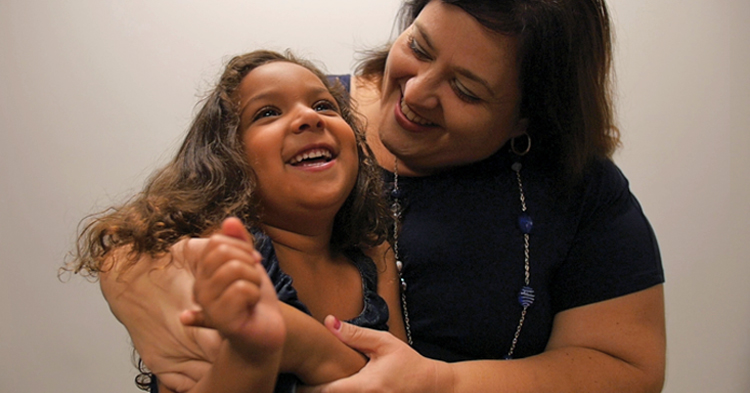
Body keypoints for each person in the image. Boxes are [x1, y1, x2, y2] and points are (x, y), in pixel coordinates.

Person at [95, 0, 667, 392]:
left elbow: (627, 368)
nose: (415, 93)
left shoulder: (576, 187)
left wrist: (440, 382)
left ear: (526, 117)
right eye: (417, 47)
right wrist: (144, 287)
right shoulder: (321, 117)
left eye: (466, 89)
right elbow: (148, 230)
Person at [67, 49, 406, 393]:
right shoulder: (220, 251)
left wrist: (301, 343)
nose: (309, 117)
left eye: (323, 106)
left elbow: (404, 381)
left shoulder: (373, 254)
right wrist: (251, 354)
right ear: (230, 158)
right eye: (268, 112)